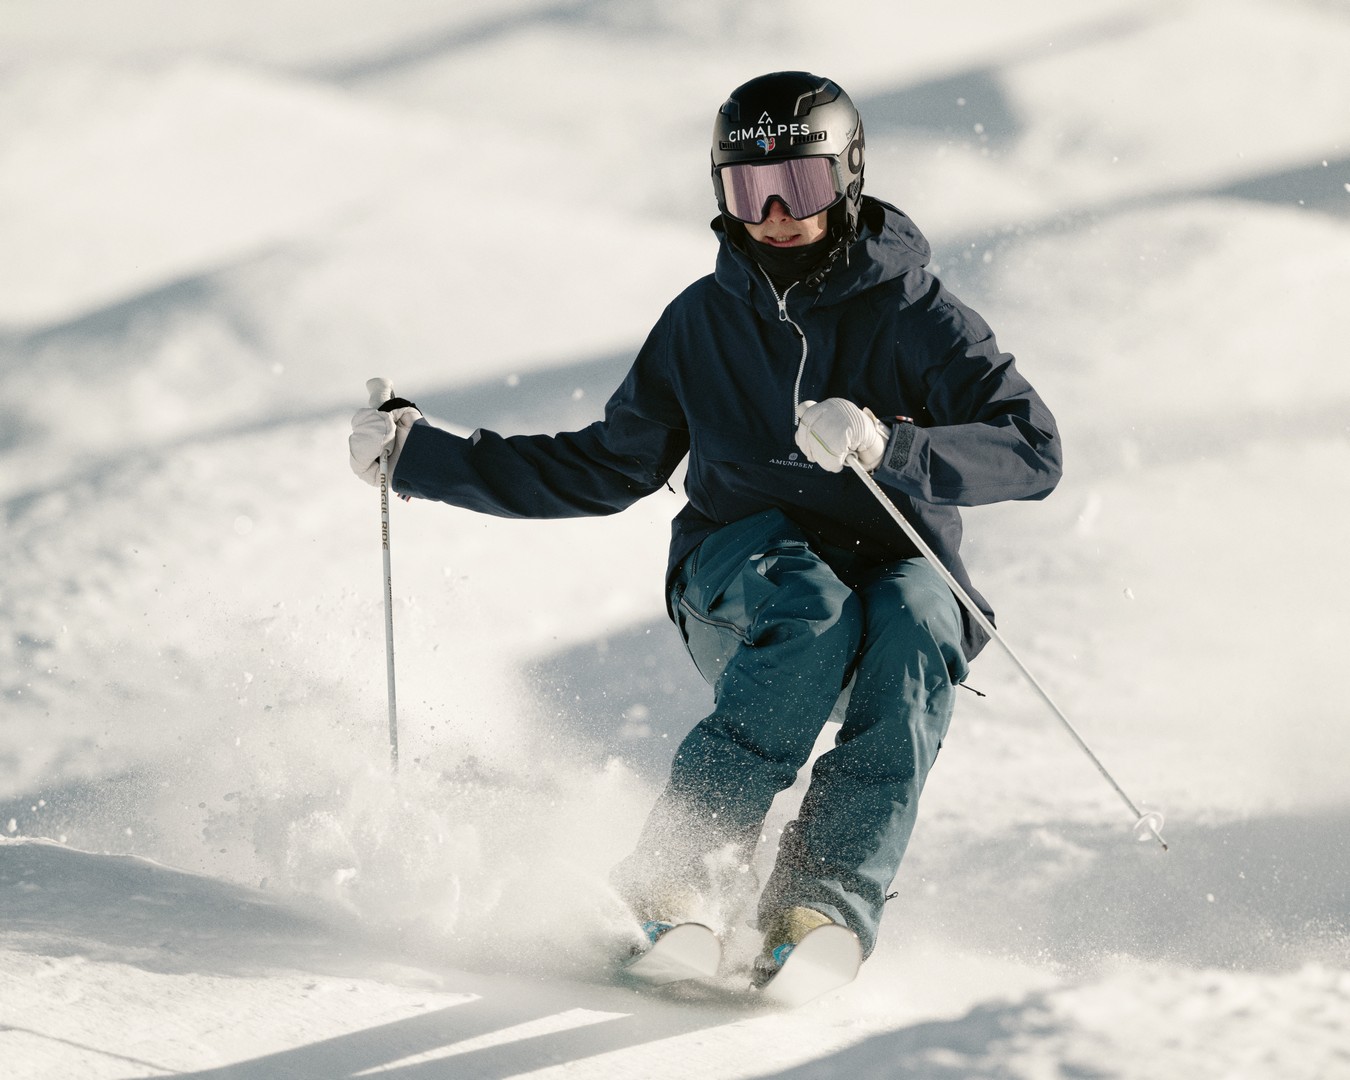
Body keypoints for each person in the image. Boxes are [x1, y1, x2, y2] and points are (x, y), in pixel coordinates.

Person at [349, 71, 1061, 983]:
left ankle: (817, 908)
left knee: (925, 616)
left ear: (847, 177)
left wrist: (893, 448)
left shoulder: (916, 315)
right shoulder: (703, 322)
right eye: (748, 190)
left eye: (798, 184)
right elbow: (607, 466)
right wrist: (422, 459)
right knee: (810, 609)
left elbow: (1033, 448)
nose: (775, 214)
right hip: (741, 566)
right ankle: (671, 881)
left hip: (893, 567)